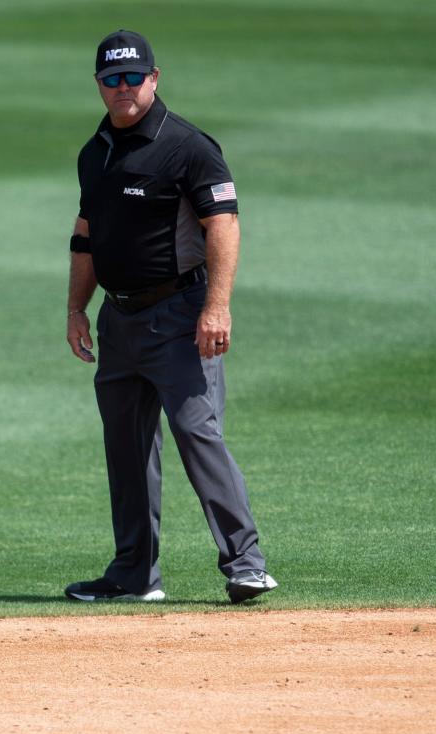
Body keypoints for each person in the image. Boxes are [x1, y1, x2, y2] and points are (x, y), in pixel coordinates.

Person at [63, 31, 277, 604]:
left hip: (180, 315)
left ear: (155, 79)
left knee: (197, 433)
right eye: (113, 79)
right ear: (99, 85)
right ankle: (135, 575)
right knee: (126, 448)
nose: (124, 88)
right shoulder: (96, 151)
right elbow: (86, 237)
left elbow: (224, 225)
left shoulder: (187, 147)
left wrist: (216, 306)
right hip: (119, 320)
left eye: (134, 77)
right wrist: (75, 309)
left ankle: (246, 563)